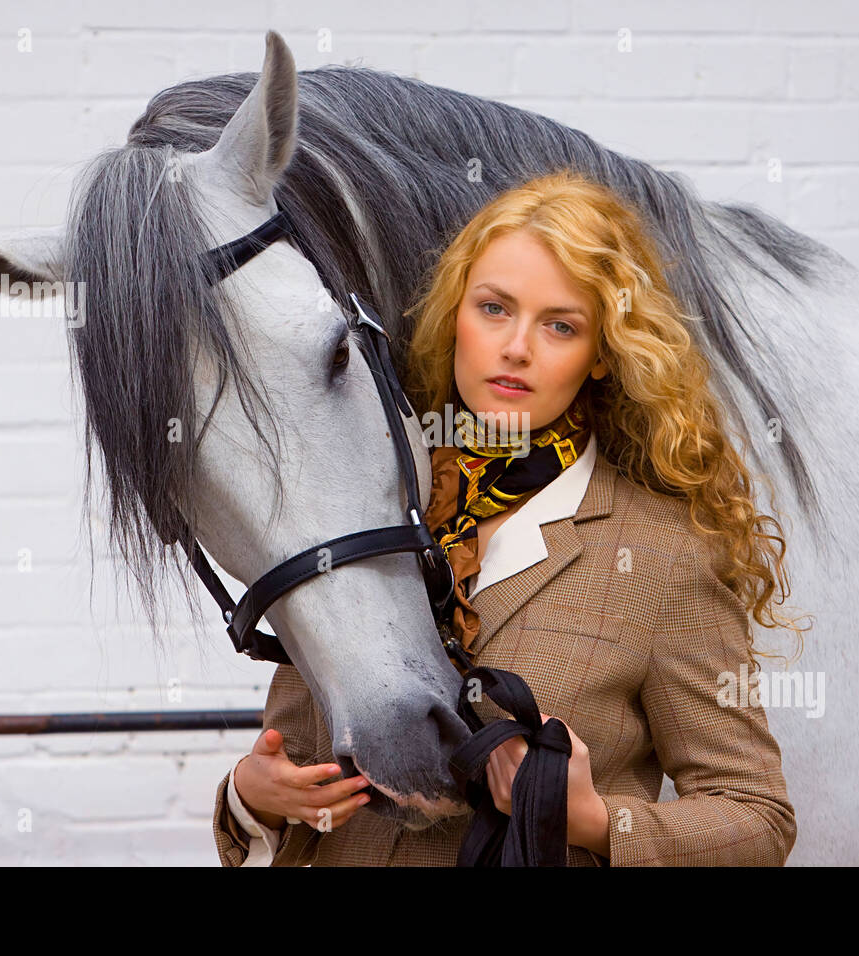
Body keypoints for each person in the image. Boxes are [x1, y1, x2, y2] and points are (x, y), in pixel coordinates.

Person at [214, 169, 805, 866]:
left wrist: (593, 821)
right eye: (494, 309)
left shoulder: (662, 553)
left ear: (602, 357)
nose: (517, 346)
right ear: (454, 315)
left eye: (560, 325)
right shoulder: (360, 509)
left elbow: (758, 821)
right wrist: (251, 800)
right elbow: (298, 760)